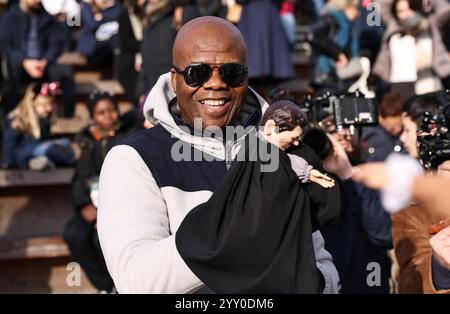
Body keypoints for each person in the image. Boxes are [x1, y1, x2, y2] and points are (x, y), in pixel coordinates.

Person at [97, 16, 340, 293]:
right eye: (197, 73)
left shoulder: (278, 155)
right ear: (175, 80)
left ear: (246, 78)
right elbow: (137, 280)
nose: (216, 84)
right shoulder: (134, 158)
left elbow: (324, 267)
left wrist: (309, 282)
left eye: (231, 73)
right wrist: (233, 229)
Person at [63, 89, 139, 294]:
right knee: (73, 233)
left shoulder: (130, 136)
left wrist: (108, 213)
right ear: (93, 117)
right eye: (101, 112)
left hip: (121, 207)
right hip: (93, 207)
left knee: (102, 241)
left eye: (112, 110)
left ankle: (122, 284)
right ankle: (107, 287)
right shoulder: (88, 141)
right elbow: (79, 178)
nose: (108, 116)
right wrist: (84, 205)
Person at [0, 0, 76, 116]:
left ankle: (67, 117)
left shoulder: (47, 17)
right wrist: (24, 61)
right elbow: (5, 46)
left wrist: (45, 61)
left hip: (42, 64)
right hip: (18, 65)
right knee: (11, 70)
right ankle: (10, 117)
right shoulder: (8, 17)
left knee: (65, 72)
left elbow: (56, 43)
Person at [373, 0, 450, 97]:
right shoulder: (393, 25)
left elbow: (446, 9)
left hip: (428, 81)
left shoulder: (430, 23)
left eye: (410, 8)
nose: (406, 14)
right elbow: (379, 4)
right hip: (400, 82)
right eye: (400, 11)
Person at [1, 81, 75, 169]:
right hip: (25, 155)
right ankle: (70, 163)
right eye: (44, 105)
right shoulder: (18, 121)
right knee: (50, 149)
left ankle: (49, 162)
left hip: (39, 150)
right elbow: (9, 143)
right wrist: (8, 163)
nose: (49, 108)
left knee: (65, 142)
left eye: (51, 104)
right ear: (33, 103)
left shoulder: (45, 120)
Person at [361, 91, 404, 162]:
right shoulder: (372, 136)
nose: (398, 130)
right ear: (381, 118)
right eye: (392, 127)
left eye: (401, 125)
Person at [77, 0, 122, 66]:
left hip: (109, 48)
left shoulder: (114, 5)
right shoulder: (87, 6)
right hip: (91, 48)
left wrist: (102, 16)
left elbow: (118, 15)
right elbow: (91, 25)